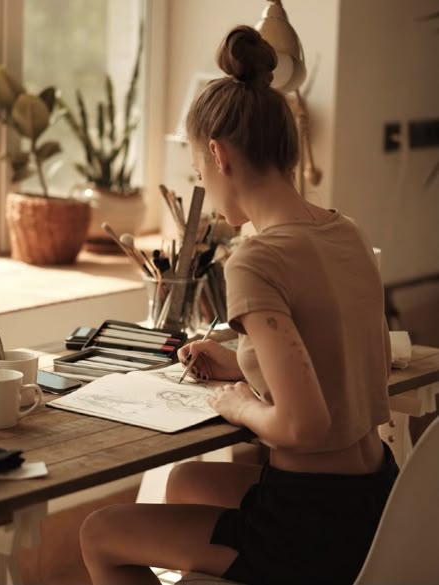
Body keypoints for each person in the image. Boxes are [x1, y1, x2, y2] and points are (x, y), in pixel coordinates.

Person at [79, 25, 398, 585]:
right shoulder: (344, 231)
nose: (201, 185)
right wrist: (239, 362)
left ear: (218, 155)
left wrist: (236, 401)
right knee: (185, 484)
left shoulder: (255, 259)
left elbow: (303, 422)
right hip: (375, 501)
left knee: (99, 533)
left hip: (311, 527)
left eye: (197, 173)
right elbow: (332, 352)